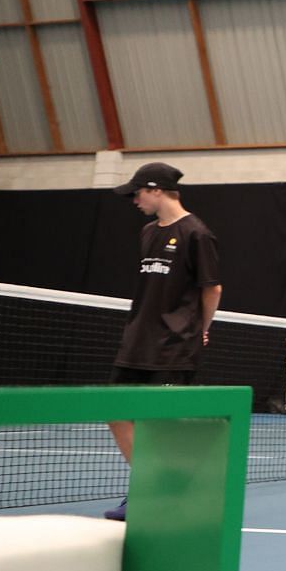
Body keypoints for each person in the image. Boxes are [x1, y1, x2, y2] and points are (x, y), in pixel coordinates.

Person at [106, 161, 222, 521]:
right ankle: (148, 487)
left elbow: (212, 287)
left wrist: (202, 327)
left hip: (173, 345)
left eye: (137, 193)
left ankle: (167, 494)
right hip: (136, 341)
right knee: (116, 412)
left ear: (156, 190)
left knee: (162, 426)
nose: (134, 200)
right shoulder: (146, 233)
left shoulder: (197, 234)